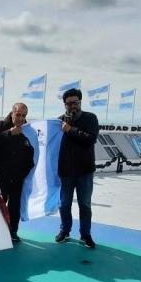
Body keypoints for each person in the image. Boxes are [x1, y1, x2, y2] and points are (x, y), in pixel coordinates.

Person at [56, 88, 99, 248]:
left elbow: (90, 139)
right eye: (69, 103)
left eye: (75, 102)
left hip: (85, 172)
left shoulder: (91, 118)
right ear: (64, 105)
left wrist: (70, 130)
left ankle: (85, 235)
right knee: (64, 204)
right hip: (66, 172)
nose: (72, 106)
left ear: (80, 102)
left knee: (85, 205)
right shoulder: (58, 122)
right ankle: (64, 231)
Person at [0, 103, 35, 242]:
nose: (20, 118)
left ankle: (13, 231)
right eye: (18, 114)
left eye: (23, 115)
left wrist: (23, 173)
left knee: (15, 207)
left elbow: (31, 154)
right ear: (12, 113)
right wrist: (9, 133)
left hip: (17, 178)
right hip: (0, 175)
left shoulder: (27, 131)